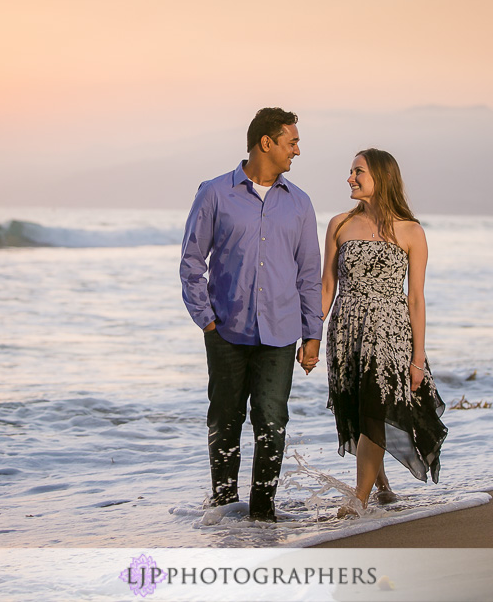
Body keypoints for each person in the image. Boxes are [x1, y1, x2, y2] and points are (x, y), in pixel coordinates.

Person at [180, 107, 323, 522]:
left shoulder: (299, 204)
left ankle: (263, 514)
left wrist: (312, 332)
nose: (297, 150)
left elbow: (309, 274)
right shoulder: (214, 193)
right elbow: (191, 261)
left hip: (280, 334)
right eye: (291, 142)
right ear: (267, 142)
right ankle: (223, 509)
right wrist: (205, 317)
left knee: (272, 421)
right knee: (225, 419)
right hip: (225, 330)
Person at [320, 148, 447, 514]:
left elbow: (417, 300)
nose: (350, 178)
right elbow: (327, 287)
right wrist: (311, 337)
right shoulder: (339, 225)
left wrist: (418, 358)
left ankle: (357, 499)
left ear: (382, 176)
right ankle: (380, 482)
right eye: (350, 171)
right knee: (359, 409)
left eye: (358, 171)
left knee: (377, 406)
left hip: (390, 334)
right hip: (346, 331)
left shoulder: (411, 231)